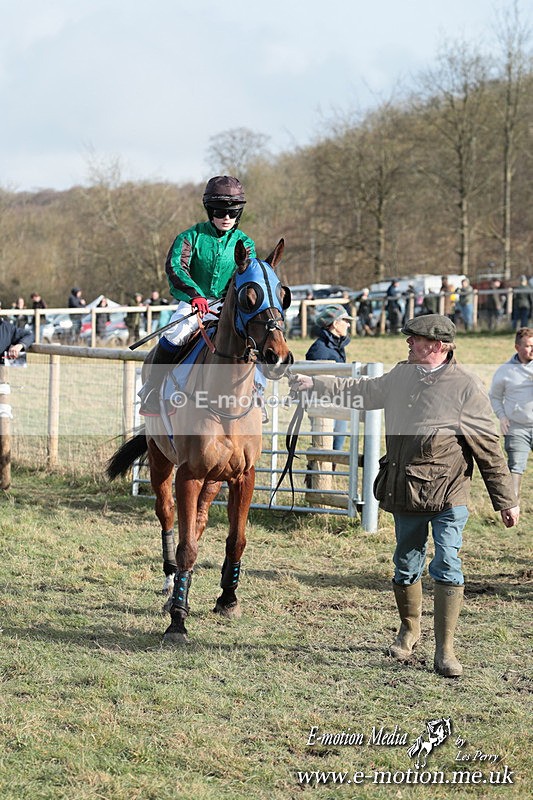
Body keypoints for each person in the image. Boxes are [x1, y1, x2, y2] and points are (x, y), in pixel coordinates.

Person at [291, 314, 519, 678]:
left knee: (447, 563)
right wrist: (314, 383)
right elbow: (362, 391)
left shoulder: (465, 387)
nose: (409, 344)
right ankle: (409, 629)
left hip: (448, 494)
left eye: (415, 339)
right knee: (406, 566)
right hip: (406, 489)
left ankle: (445, 651)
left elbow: (489, 448)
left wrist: (505, 500)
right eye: (410, 339)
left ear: (438, 346)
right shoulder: (401, 375)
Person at [138, 175, 256, 414]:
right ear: (209, 210)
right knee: (175, 333)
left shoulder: (245, 243)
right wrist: (195, 296)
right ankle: (152, 388)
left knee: (256, 338)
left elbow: (248, 275)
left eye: (232, 213)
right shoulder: (190, 237)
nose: (226, 218)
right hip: (193, 303)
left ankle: (258, 394)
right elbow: (176, 267)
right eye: (220, 212)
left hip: (229, 305)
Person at [489, 327, 533, 502]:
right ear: (517, 348)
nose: (532, 349)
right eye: (528, 346)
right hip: (517, 427)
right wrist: (502, 416)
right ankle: (512, 505)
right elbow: (494, 396)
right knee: (515, 466)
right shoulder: (505, 371)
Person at [305, 304, 353, 452]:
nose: (349, 324)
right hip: (325, 406)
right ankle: (317, 475)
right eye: (345, 320)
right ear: (335, 323)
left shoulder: (337, 346)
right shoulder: (319, 349)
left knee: (336, 448)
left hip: (339, 403)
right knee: (324, 448)